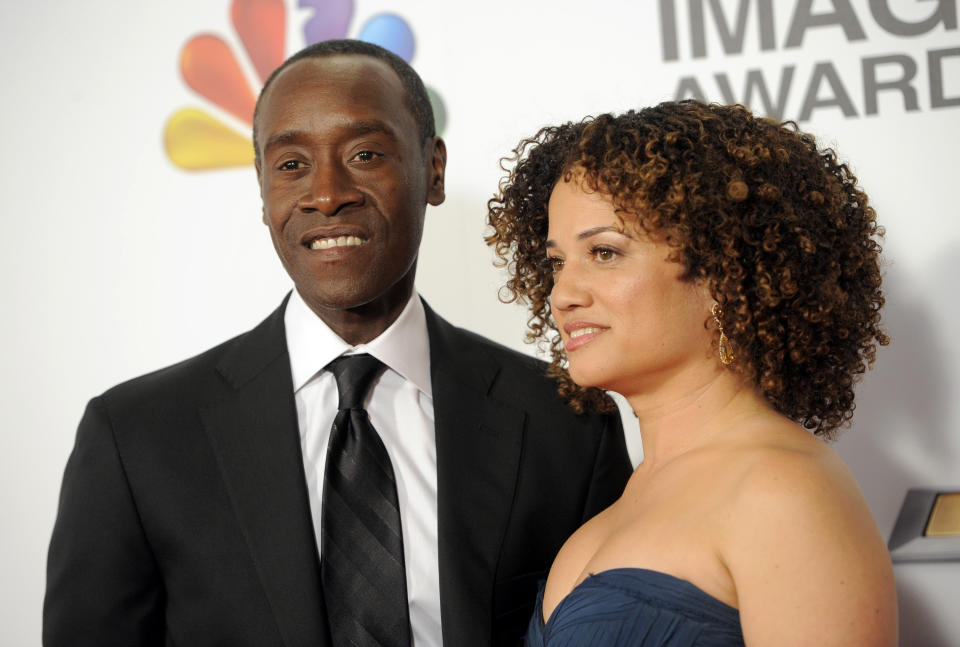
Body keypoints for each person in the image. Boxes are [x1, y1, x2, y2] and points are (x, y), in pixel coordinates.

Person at [43, 40, 632, 647]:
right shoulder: (137, 436)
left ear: (433, 170)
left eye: (365, 153)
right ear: (263, 190)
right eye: (292, 165)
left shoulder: (566, 421)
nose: (327, 194)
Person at [486, 100, 897, 646]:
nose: (563, 294)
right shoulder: (626, 496)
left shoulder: (782, 493)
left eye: (605, 253)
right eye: (558, 262)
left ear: (724, 272)